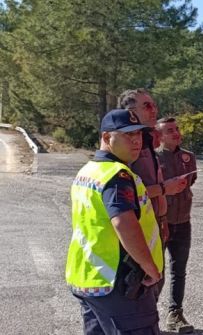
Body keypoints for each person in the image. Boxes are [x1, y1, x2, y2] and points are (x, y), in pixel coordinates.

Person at [65, 109, 163, 334]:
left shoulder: (88, 171)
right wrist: (150, 268)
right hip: (117, 283)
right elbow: (124, 223)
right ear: (107, 138)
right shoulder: (117, 176)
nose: (136, 140)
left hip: (88, 278)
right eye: (128, 135)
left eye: (138, 134)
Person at [118, 89, 187, 304]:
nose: (154, 109)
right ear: (131, 112)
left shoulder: (146, 141)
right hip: (140, 225)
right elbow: (127, 191)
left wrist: (163, 219)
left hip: (157, 222)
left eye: (154, 105)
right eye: (147, 106)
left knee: (156, 283)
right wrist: (165, 188)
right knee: (143, 286)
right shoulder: (128, 147)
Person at [156, 117, 197, 333]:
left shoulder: (188, 157)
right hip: (160, 222)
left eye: (177, 129)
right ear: (159, 136)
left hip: (183, 222)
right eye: (169, 130)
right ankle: (148, 315)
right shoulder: (152, 158)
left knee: (178, 270)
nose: (176, 133)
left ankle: (175, 313)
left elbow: (192, 181)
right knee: (155, 271)